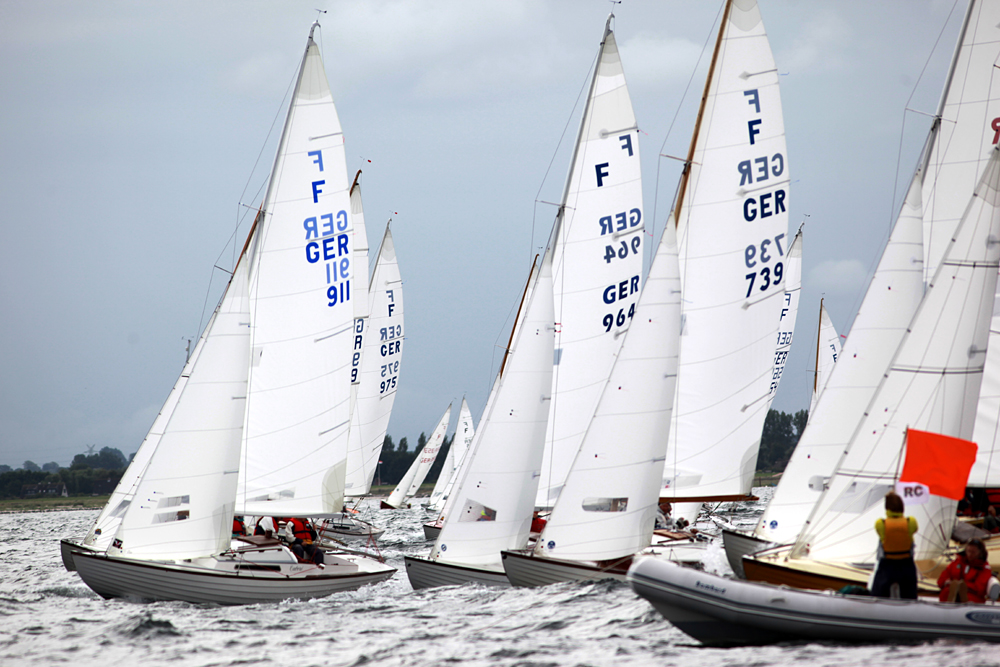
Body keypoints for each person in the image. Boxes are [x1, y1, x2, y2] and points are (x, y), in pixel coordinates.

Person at [871, 491, 918, 599]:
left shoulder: (880, 524)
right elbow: (915, 529)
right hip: (906, 565)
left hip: (887, 566)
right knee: (909, 598)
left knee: (877, 596)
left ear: (887, 508)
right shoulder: (911, 522)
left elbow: (880, 533)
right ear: (902, 507)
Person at [938, 538, 992, 603]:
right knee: (947, 591)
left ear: (980, 553)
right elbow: (942, 579)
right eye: (968, 551)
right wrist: (946, 582)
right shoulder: (958, 561)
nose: (970, 554)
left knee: (961, 593)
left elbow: (980, 588)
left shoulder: (984, 568)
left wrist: (962, 585)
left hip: (972, 598)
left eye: (973, 552)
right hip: (950, 596)